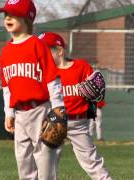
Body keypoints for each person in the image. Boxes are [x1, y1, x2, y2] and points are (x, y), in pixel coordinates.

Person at [0, 1, 66, 179]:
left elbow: (52, 77)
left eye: (13, 14)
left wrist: (58, 106)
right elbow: (7, 87)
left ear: (28, 19)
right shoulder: (5, 52)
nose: (8, 18)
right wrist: (8, 113)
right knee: (23, 160)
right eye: (6, 15)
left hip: (39, 109)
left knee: (44, 159)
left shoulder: (37, 45)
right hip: (19, 114)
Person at [39, 32, 112, 180]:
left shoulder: (81, 67)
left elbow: (94, 97)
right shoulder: (44, 72)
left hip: (78, 123)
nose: (41, 57)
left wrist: (91, 116)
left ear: (59, 50)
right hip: (54, 122)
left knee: (91, 160)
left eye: (45, 52)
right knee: (47, 162)